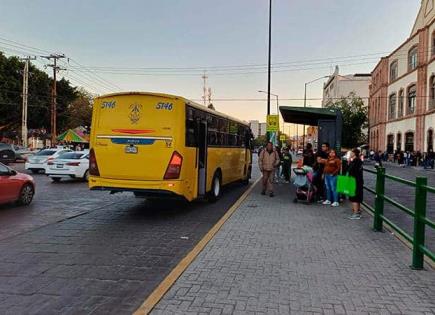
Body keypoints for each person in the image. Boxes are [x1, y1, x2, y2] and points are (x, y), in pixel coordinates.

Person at [347, 148, 364, 220]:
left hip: (354, 181)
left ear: (354, 153)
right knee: (356, 197)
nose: (350, 154)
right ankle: (358, 212)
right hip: (357, 181)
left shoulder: (356, 161)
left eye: (351, 153)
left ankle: (356, 213)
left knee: (354, 198)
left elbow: (352, 171)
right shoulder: (357, 161)